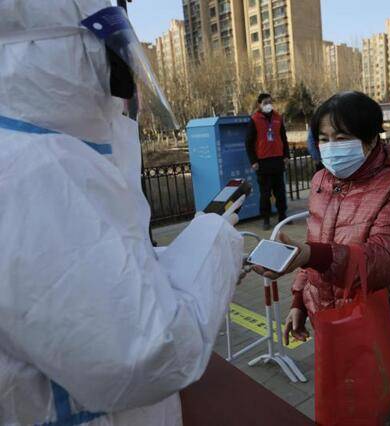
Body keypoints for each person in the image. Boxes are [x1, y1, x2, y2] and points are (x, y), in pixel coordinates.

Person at [0, 2, 243, 424]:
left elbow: (85, 283)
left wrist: (162, 261)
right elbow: (148, 355)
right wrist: (214, 236)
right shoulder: (39, 165)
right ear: (68, 50)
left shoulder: (33, 153)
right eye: (114, 48)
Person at [254, 91, 390, 425]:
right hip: (331, 324)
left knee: (389, 411)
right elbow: (315, 243)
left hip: (382, 325)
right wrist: (299, 302)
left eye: (342, 137)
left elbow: (383, 259)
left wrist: (309, 255)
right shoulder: (320, 180)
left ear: (372, 138)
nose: (331, 147)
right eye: (323, 139)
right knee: (345, 410)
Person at [245, 93, 291, 230]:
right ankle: (266, 218)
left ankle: (282, 215)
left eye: (270, 102)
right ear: (259, 104)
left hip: (277, 160)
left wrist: (286, 155)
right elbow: (248, 142)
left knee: (280, 191)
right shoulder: (254, 119)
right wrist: (253, 161)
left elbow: (283, 138)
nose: (268, 105)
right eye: (265, 102)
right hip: (263, 162)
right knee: (265, 193)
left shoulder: (278, 117)